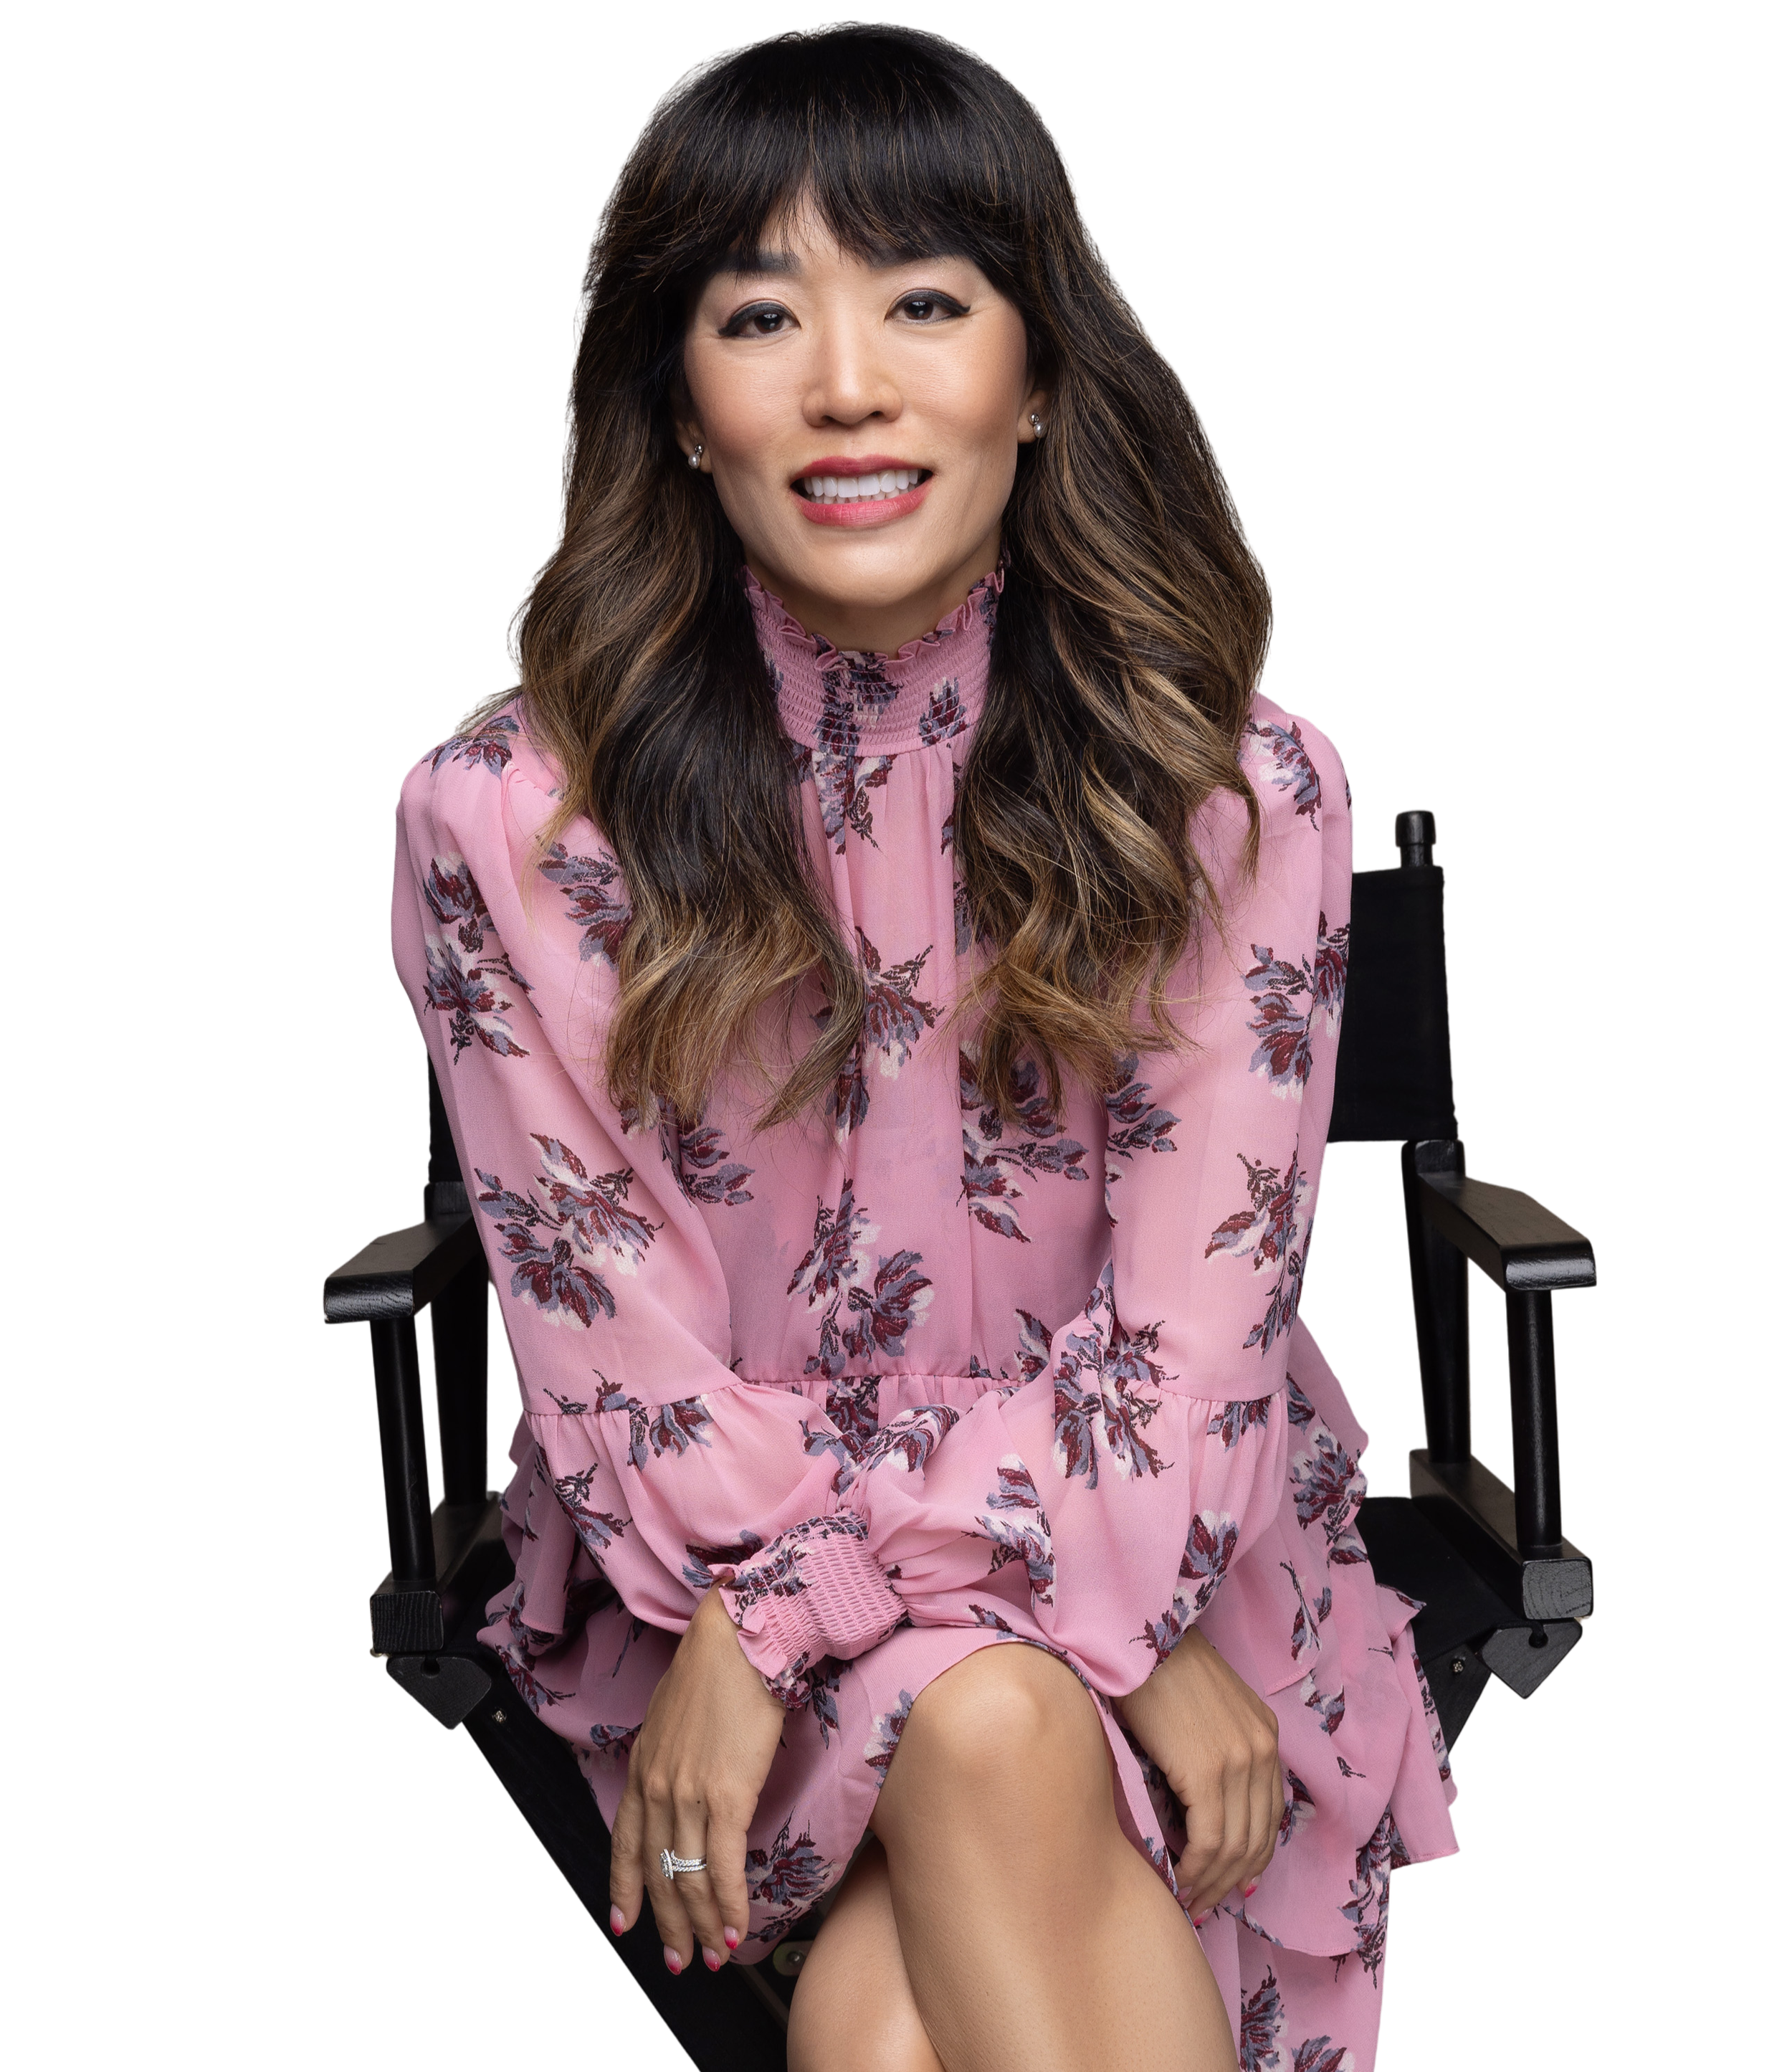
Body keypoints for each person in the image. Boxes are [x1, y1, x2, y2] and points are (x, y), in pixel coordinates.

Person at [391, 24, 1459, 2070]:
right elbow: (629, 1373)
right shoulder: (512, 820)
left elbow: (1187, 1346)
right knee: (990, 1721)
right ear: (676, 405)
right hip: (691, 1593)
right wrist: (862, 1618)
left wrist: (943, 1618)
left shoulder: (1230, 793)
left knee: (900, 1996)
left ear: (1041, 374)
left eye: (924, 302)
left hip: (1158, 1541)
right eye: (760, 312)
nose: (848, 383)